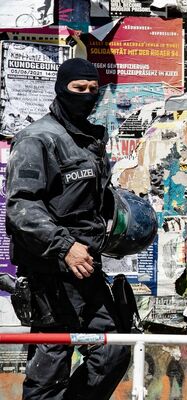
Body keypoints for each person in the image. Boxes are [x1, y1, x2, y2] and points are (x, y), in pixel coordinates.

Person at [6, 58, 130, 399]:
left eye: (93, 90)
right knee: (50, 370)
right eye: (78, 89)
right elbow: (22, 208)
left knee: (114, 349)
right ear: (62, 89)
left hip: (88, 268)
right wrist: (64, 246)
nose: (87, 96)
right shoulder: (37, 139)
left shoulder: (90, 140)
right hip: (52, 272)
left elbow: (91, 202)